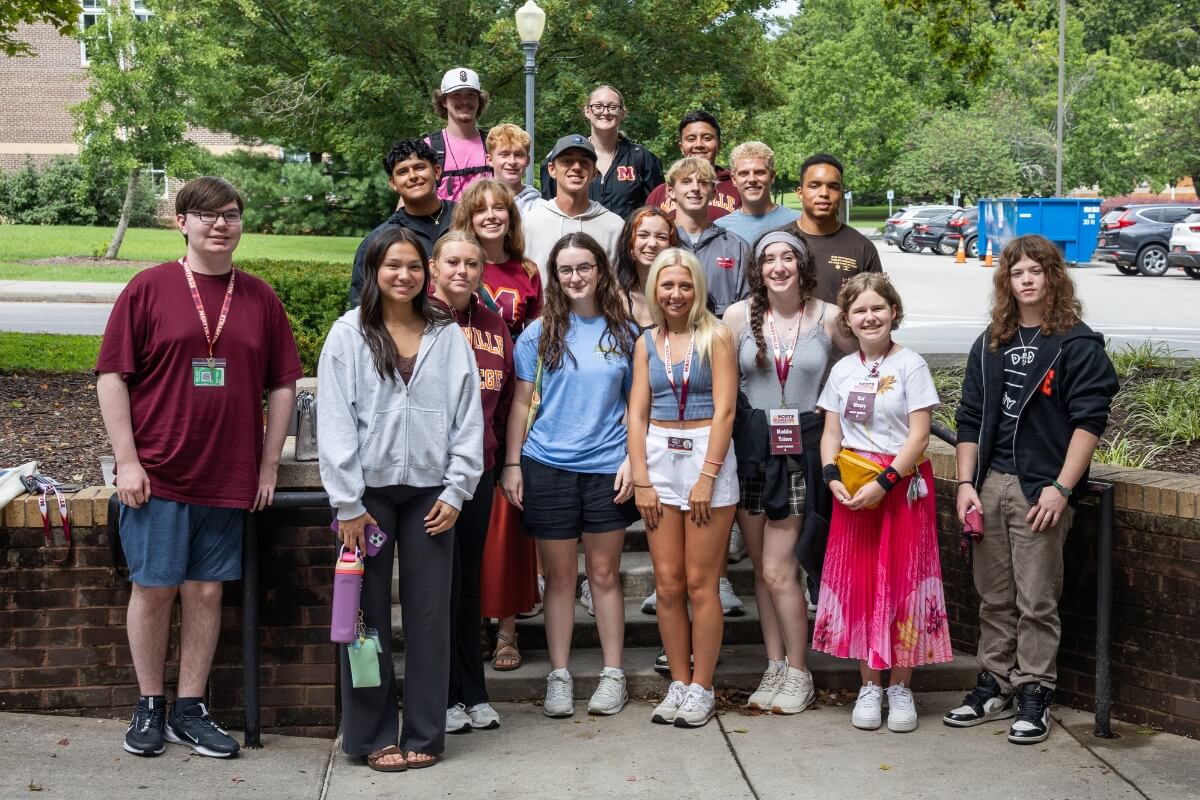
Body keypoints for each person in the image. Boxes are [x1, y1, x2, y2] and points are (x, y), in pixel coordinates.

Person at [97, 176, 302, 759]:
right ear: (181, 223)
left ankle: (191, 708)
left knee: (206, 592)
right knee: (154, 588)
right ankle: (148, 706)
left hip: (227, 472)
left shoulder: (259, 297)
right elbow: (112, 376)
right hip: (158, 472)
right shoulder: (149, 288)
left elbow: (283, 385)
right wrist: (127, 461)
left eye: (231, 215)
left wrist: (266, 467)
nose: (220, 224)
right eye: (206, 215)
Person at [318, 226, 484, 771]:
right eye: (393, 265)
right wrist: (346, 502)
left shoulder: (447, 335)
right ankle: (369, 734)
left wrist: (458, 489)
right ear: (373, 270)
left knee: (430, 616)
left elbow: (467, 420)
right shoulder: (349, 334)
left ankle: (425, 733)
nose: (404, 275)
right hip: (366, 498)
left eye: (414, 265)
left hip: (432, 497)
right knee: (364, 620)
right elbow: (335, 422)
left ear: (427, 273)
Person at [945, 234, 1118, 745]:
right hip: (990, 483)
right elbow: (969, 419)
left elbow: (1090, 422)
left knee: (1037, 599)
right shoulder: (990, 342)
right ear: (1007, 281)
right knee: (993, 597)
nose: (1026, 278)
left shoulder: (1077, 344)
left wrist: (1062, 489)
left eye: (1035, 270)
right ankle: (993, 683)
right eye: (1017, 271)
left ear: (1052, 278)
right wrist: (964, 484)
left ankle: (1034, 691)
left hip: (1040, 488)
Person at [501, 233, 639, 719]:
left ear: (601, 269)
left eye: (585, 267)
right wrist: (512, 464)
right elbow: (520, 402)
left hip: (607, 468)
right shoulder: (539, 333)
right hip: (547, 465)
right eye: (566, 269)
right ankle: (558, 676)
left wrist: (632, 461)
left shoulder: (626, 332)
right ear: (555, 276)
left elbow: (636, 407)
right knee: (559, 579)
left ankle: (612, 674)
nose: (576, 277)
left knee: (603, 575)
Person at [723, 230, 855, 716]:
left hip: (802, 447)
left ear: (802, 265)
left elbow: (872, 350)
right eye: (768, 259)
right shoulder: (737, 317)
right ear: (756, 269)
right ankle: (774, 664)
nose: (778, 266)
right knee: (762, 571)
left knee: (782, 569)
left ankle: (799, 671)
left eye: (788, 258)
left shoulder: (827, 317)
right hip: (753, 447)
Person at [814, 273, 952, 733]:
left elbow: (919, 435)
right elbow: (832, 431)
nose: (870, 317)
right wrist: (832, 477)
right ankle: (869, 684)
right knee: (862, 582)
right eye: (860, 311)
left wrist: (888, 481)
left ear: (893, 311)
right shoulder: (842, 370)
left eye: (878, 308)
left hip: (899, 488)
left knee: (901, 581)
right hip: (853, 488)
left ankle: (900, 685)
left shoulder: (910, 364)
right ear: (848, 319)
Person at [626, 248, 739, 728]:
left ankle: (702, 686)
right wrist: (641, 479)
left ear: (697, 288)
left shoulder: (716, 337)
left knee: (700, 583)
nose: (675, 294)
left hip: (704, 455)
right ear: (655, 289)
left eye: (684, 285)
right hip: (658, 456)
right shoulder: (646, 342)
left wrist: (707, 476)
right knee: (668, 585)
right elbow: (635, 413)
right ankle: (678, 680)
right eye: (667, 285)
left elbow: (726, 412)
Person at [426, 232, 515, 735]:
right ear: (434, 266)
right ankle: (440, 694)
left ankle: (472, 692)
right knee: (438, 584)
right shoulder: (420, 320)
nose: (463, 271)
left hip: (478, 471)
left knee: (467, 589)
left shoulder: (492, 322)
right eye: (453, 262)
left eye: (473, 264)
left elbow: (501, 404)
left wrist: (502, 463)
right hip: (429, 476)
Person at [350, 138, 455, 308]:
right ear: (393, 183)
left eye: (419, 167)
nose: (413, 176)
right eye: (403, 172)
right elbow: (362, 303)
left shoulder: (467, 219)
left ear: (436, 172)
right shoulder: (379, 239)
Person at [540, 85, 664, 220]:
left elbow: (659, 208)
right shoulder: (561, 158)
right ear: (587, 111)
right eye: (598, 106)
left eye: (612, 107)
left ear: (622, 113)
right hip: (577, 239)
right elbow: (550, 210)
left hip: (626, 239)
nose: (605, 112)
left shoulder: (641, 158)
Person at [778, 153, 880, 303]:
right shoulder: (777, 242)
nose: (824, 193)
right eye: (814, 186)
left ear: (841, 193)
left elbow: (878, 306)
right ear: (800, 193)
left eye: (833, 187)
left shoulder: (863, 248)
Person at [523, 135, 625, 282]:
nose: (576, 167)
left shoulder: (614, 227)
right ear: (552, 169)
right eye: (567, 161)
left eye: (584, 162)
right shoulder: (531, 223)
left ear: (594, 172)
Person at [451, 178, 543, 339]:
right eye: (480, 210)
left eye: (499, 208)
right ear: (469, 220)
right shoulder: (454, 268)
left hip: (508, 362)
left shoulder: (528, 271)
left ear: (510, 216)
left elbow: (533, 340)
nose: (491, 216)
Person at [667, 157, 750, 316]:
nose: (695, 188)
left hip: (722, 336)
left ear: (713, 193)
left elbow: (748, 307)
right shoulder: (661, 242)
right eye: (686, 181)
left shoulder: (736, 246)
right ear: (671, 192)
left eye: (703, 182)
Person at [645, 110, 740, 221]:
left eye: (707, 138)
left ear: (719, 144)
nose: (699, 144)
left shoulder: (738, 187)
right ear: (681, 146)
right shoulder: (660, 193)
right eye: (691, 139)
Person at [426, 67, 492, 202]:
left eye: (471, 95)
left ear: (479, 100)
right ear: (443, 101)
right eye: (456, 95)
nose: (464, 101)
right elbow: (409, 202)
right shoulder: (428, 148)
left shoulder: (494, 143)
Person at [715, 141, 800, 246]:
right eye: (744, 173)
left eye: (759, 172)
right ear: (734, 179)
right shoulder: (720, 228)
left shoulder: (798, 222)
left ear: (772, 176)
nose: (752, 179)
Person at [614, 205, 680, 330]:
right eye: (643, 235)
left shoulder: (680, 299)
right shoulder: (614, 300)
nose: (652, 244)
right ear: (630, 244)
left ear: (671, 245)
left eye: (661, 237)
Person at [486, 123, 542, 213]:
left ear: (527, 160)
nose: (512, 162)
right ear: (490, 160)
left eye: (518, 155)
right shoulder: (475, 204)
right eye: (504, 155)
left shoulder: (540, 208)